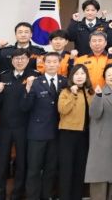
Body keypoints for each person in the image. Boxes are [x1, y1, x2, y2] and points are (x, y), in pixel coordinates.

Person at [0, 48, 40, 200]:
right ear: (12, 60)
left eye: (23, 58)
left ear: (28, 60)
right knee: (2, 162)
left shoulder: (35, 76)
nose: (20, 61)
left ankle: (17, 195)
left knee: (22, 163)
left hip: (24, 127)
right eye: (16, 58)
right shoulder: (3, 75)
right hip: (4, 126)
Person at [22, 52, 68, 200]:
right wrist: (27, 89)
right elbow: (25, 107)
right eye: (49, 61)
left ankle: (46, 196)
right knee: (34, 170)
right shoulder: (35, 82)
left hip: (57, 133)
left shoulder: (65, 82)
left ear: (59, 64)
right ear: (43, 63)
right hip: (37, 133)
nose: (52, 64)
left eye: (55, 61)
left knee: (51, 170)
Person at [85, 64, 112, 200]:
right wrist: (98, 96)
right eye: (109, 74)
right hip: (102, 140)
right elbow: (94, 114)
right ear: (105, 78)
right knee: (100, 174)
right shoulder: (101, 93)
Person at [58, 64, 95, 200]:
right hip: (68, 134)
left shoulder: (90, 92)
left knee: (80, 169)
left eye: (82, 74)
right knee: (66, 169)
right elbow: (63, 110)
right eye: (77, 74)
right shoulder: (65, 91)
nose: (80, 76)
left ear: (86, 76)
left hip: (84, 135)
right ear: (71, 76)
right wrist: (73, 95)